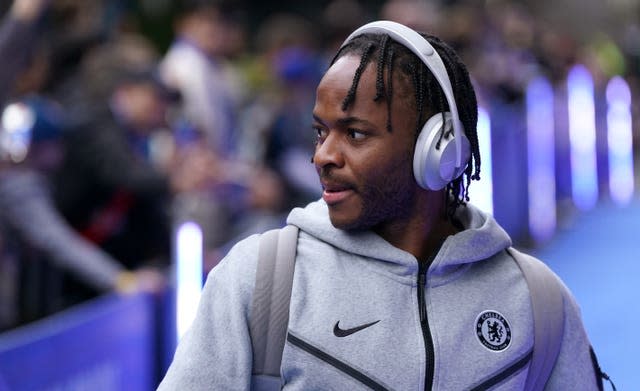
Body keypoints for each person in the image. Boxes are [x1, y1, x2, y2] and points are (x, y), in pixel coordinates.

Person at [158, 21, 607, 390]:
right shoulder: (261, 279)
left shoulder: (538, 300)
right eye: (320, 133)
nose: (323, 156)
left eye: (354, 133)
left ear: (438, 150)